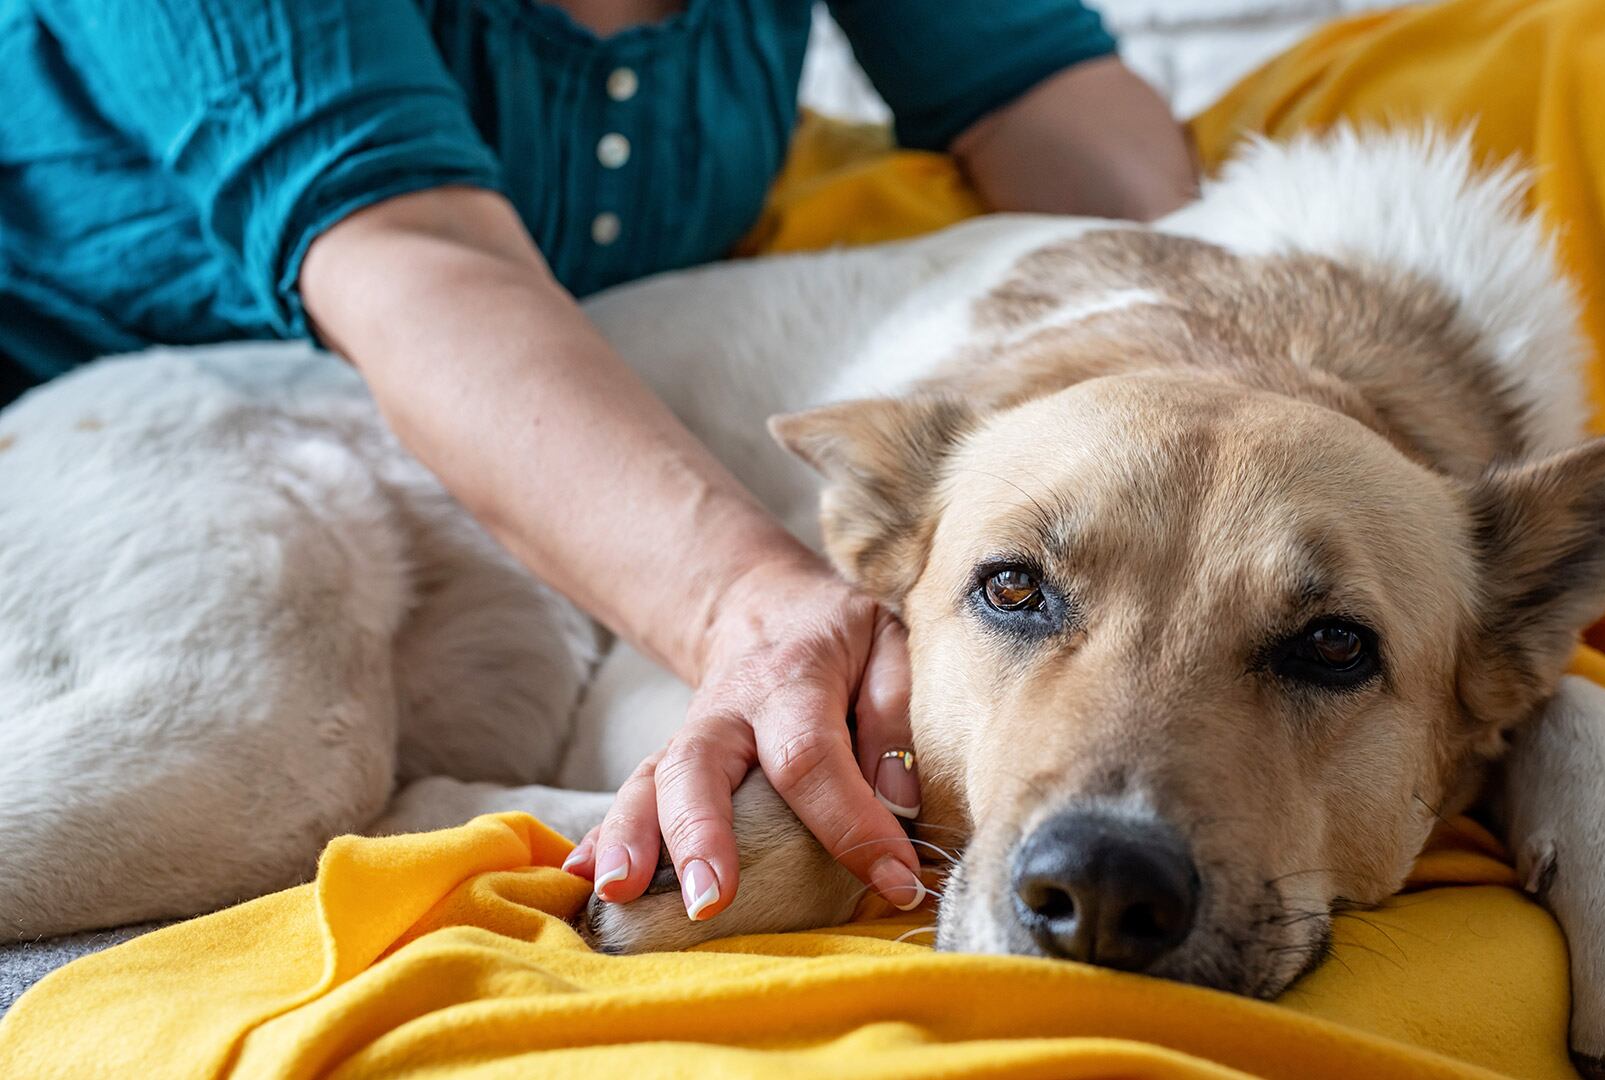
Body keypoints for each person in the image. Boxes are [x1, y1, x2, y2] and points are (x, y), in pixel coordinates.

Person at [0, 0, 1196, 922]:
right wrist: (752, 605)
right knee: (240, 761)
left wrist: (1222, 358)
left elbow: (1041, 93)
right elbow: (414, 251)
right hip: (110, 474)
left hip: (527, 495)